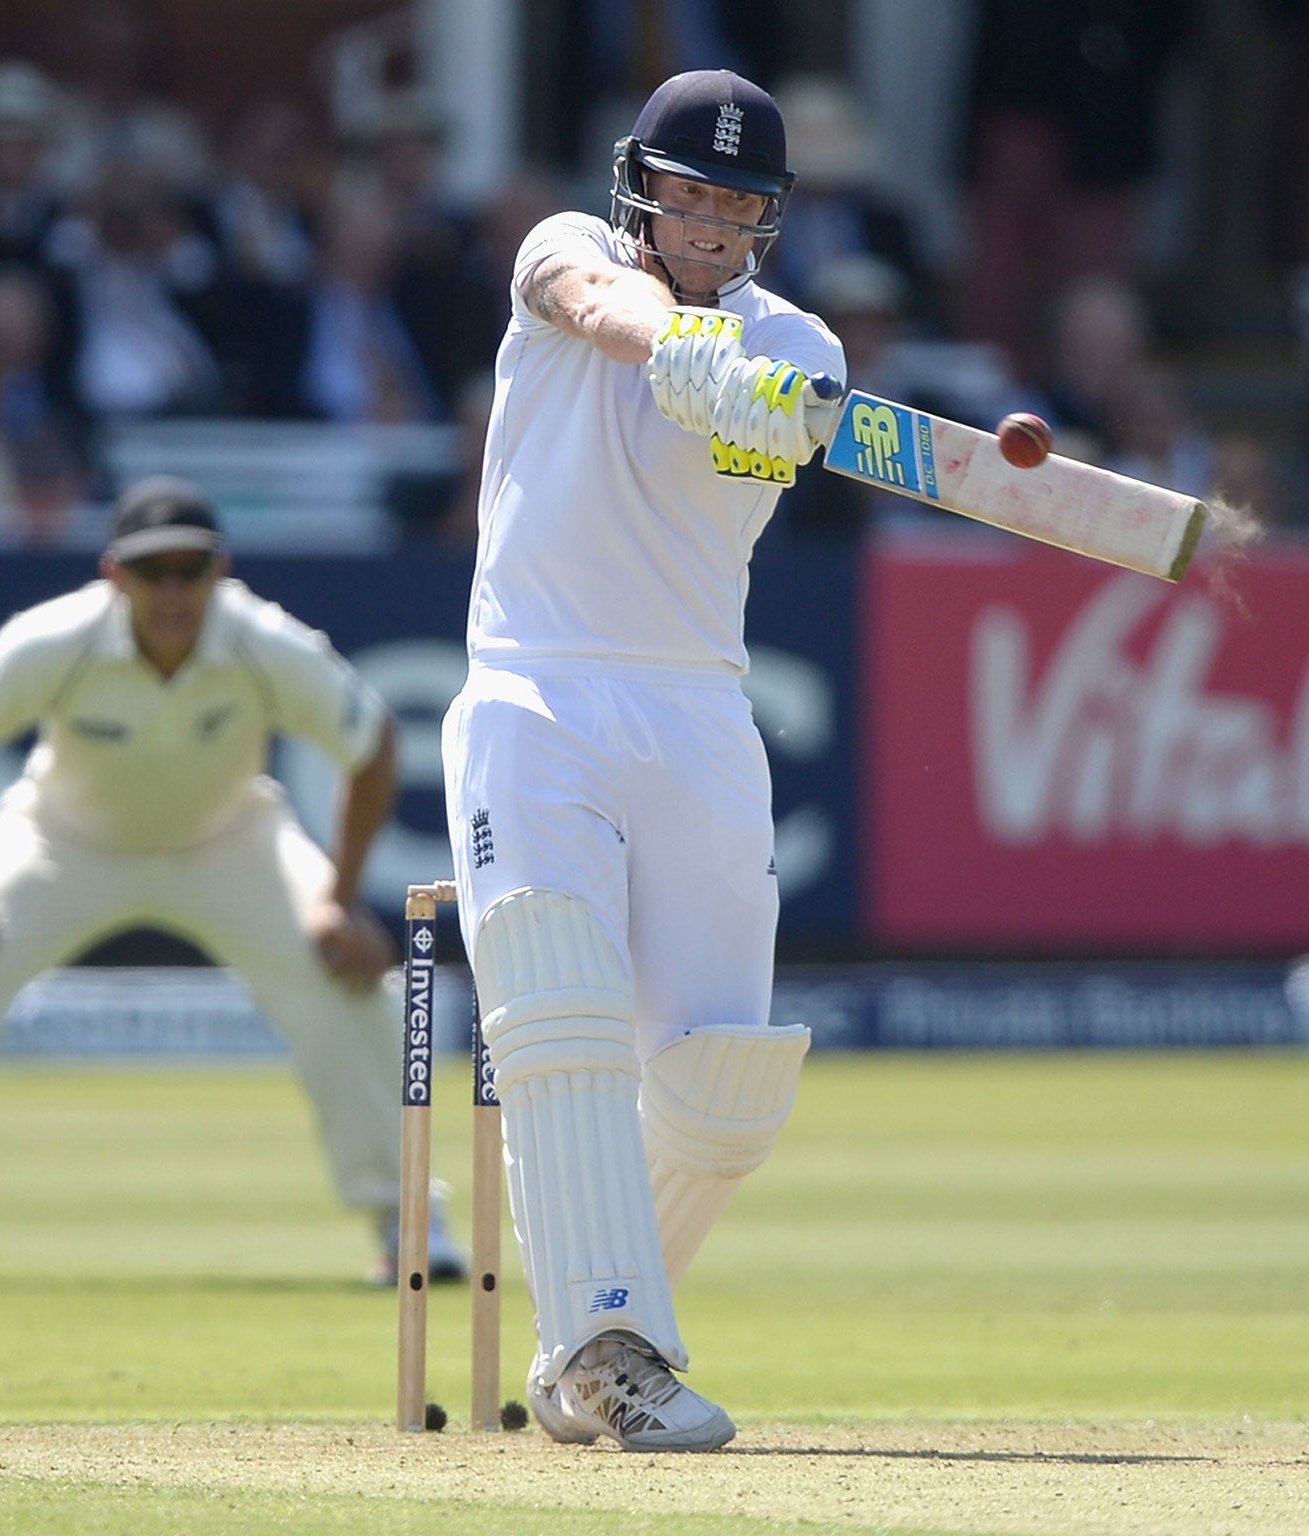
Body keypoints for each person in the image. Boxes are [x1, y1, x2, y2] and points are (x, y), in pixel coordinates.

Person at [439, 69, 836, 1451]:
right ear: (641, 189)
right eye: (689, 195)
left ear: (768, 219)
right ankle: (615, 1351)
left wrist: (762, 395)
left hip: (697, 714)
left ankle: (572, 1342)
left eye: (739, 204)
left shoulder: (805, 348)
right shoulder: (570, 251)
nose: (711, 224)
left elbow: (778, 418)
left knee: (725, 1090)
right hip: (533, 689)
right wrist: (674, 341)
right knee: (558, 1017)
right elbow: (592, 307)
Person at [0, 476, 463, 1283]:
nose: (172, 591)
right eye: (153, 572)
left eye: (190, 570)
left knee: (349, 973)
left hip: (230, 840)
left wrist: (339, 900)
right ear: (115, 576)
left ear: (221, 571)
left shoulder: (261, 639)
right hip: (62, 842)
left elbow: (374, 741)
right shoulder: (58, 640)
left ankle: (407, 1221)